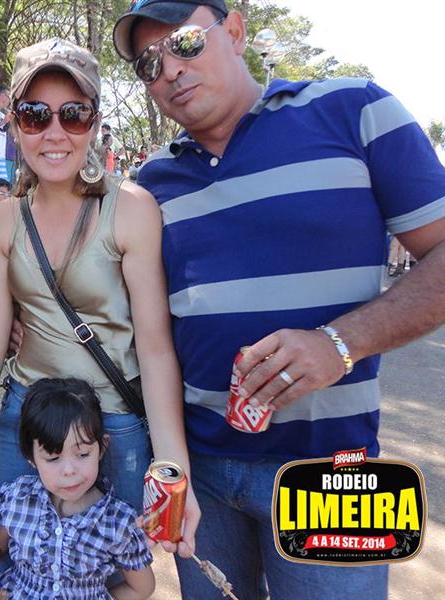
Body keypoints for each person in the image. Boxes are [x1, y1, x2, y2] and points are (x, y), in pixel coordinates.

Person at [112, 1, 445, 598]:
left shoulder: (353, 109)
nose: (170, 70)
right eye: (148, 63)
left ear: (235, 31)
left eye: (185, 43)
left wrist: (340, 344)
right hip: (202, 474)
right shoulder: (153, 183)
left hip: (336, 478)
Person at [0, 37, 199, 565]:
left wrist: (172, 467)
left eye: (73, 114)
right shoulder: (3, 221)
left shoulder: (131, 208)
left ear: (94, 121)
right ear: (15, 124)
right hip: (27, 416)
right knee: (11, 564)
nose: (54, 133)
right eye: (34, 115)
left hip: (113, 424)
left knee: (112, 575)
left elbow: (156, 348)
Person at [0, 378, 155, 600]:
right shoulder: (19, 500)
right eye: (53, 458)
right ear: (31, 458)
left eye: (82, 454)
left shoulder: (118, 523)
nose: (69, 470)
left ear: (101, 448)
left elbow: (141, 587)